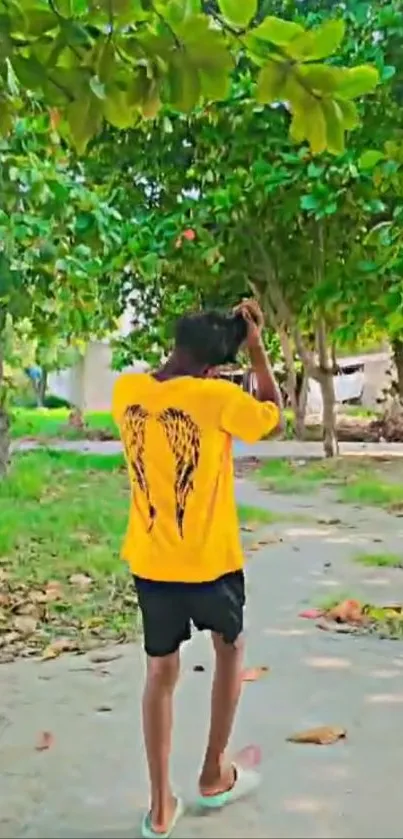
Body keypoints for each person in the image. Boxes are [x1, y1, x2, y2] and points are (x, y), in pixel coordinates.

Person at [112, 300, 283, 838]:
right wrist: (256, 349)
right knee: (229, 652)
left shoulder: (127, 391)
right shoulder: (217, 398)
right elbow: (272, 416)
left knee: (160, 674)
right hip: (211, 564)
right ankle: (213, 773)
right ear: (213, 367)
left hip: (152, 563)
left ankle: (161, 807)